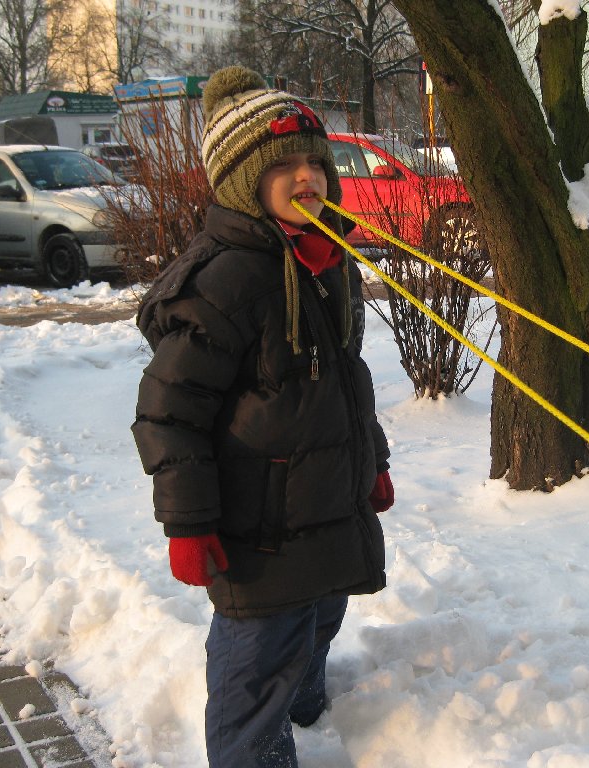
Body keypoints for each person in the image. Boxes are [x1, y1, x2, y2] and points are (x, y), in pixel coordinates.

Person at [131, 65, 395, 767]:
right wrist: (189, 524)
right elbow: (168, 413)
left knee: (320, 621)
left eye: (317, 162)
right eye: (284, 166)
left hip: (325, 506)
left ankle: (309, 712)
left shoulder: (325, 260)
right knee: (255, 668)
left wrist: (371, 462)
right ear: (244, 181)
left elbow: (346, 379)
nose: (308, 177)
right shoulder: (227, 280)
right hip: (258, 531)